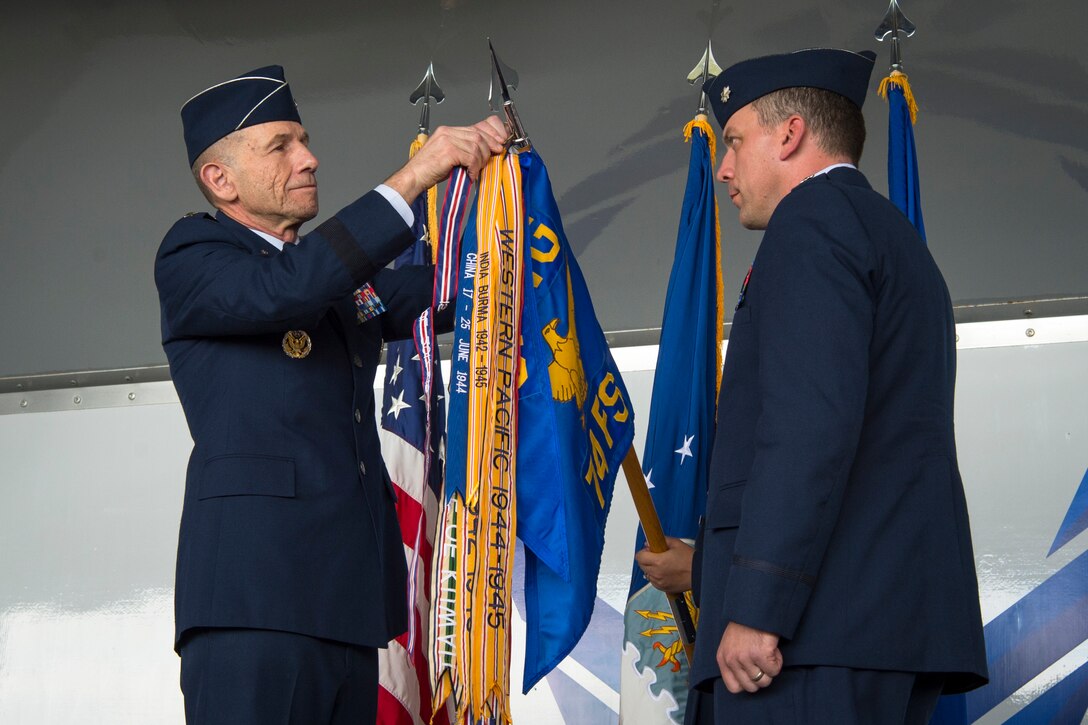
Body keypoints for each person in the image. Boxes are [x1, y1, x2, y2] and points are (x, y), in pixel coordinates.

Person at [639, 48, 988, 724]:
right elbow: (871, 456)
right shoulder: (892, 238)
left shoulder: (813, 225)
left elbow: (809, 428)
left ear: (791, 133)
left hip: (806, 641)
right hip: (877, 627)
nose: (724, 167)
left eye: (735, 141)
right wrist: (709, 565)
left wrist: (758, 606)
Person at [155, 65, 507, 724]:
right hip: (253, 611)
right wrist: (414, 178)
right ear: (220, 179)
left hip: (346, 613)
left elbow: (456, 290)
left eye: (304, 140)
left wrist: (517, 212)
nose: (309, 158)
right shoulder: (193, 255)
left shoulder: (335, 286)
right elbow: (289, 288)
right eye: (281, 145)